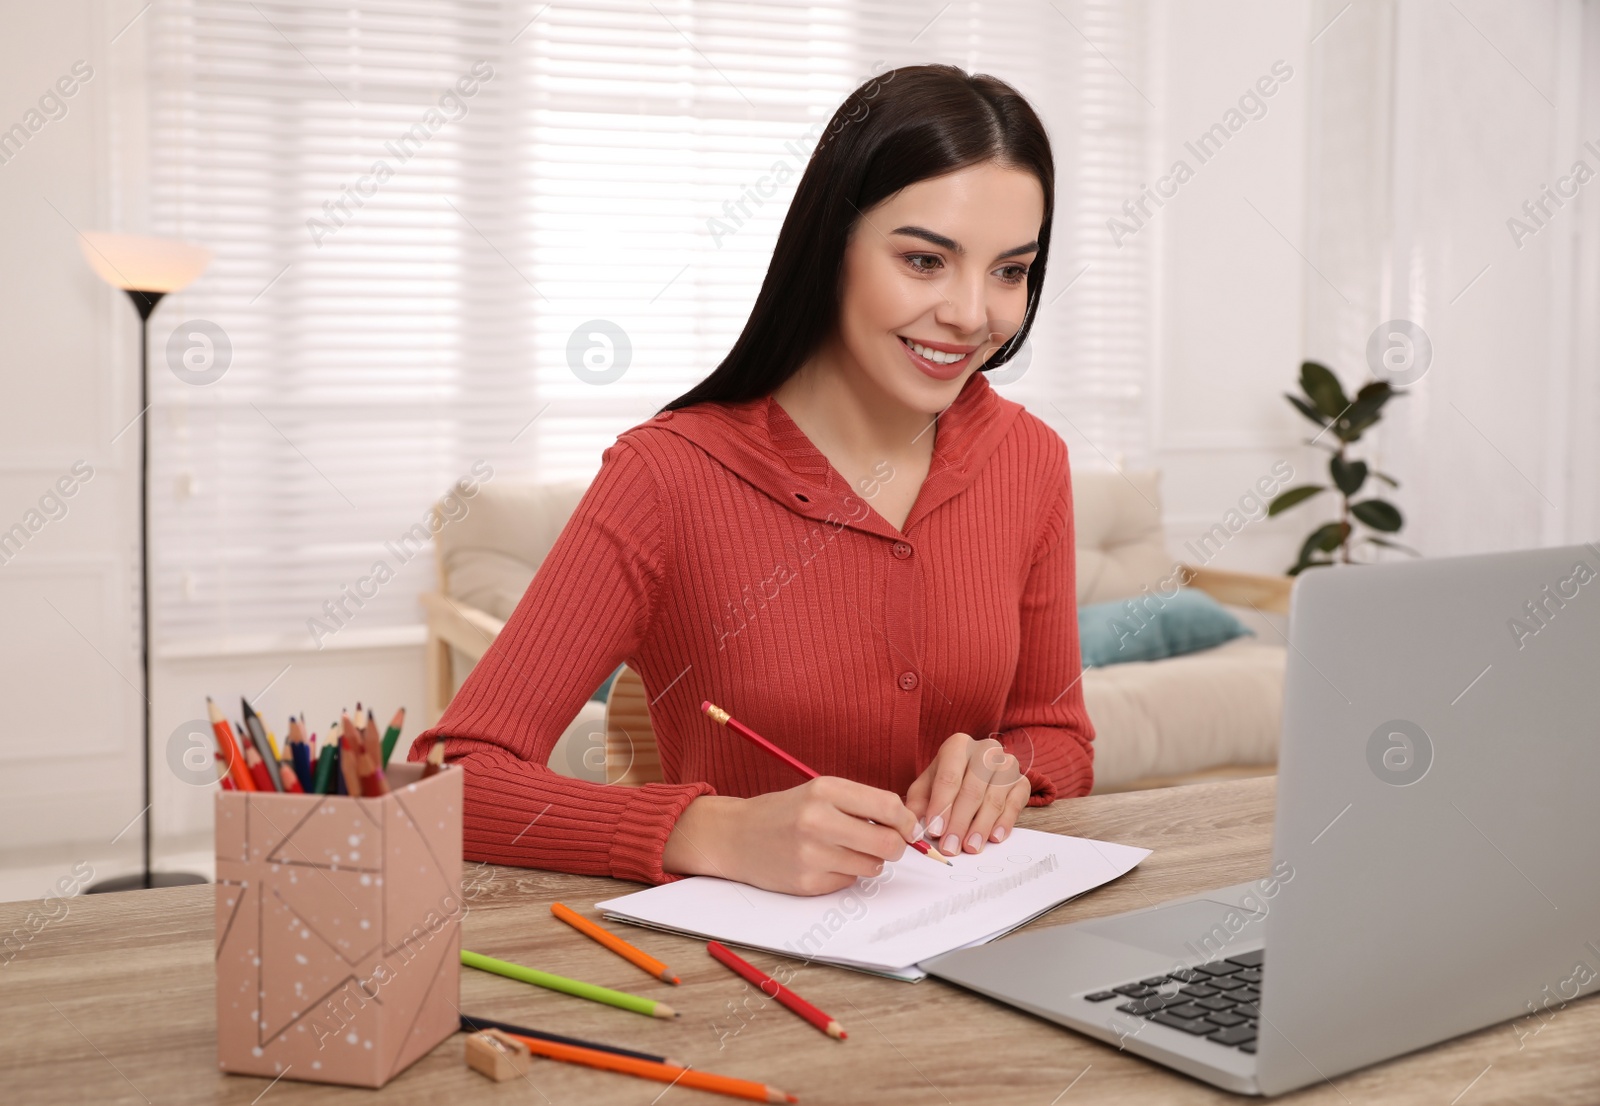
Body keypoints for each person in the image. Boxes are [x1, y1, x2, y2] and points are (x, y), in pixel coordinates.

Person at [410, 64, 1095, 896]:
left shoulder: (1030, 460)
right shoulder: (666, 475)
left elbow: (1057, 734)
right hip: (738, 980)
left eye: (1010, 271)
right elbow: (457, 780)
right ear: (830, 245)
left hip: (969, 955)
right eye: (924, 260)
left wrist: (1005, 768)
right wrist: (711, 830)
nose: (970, 313)